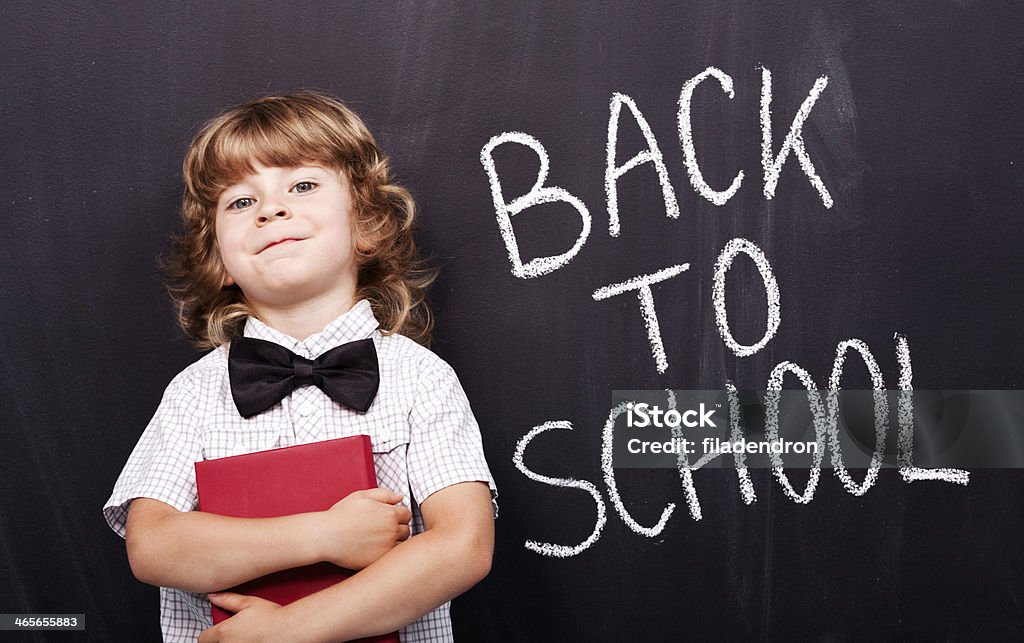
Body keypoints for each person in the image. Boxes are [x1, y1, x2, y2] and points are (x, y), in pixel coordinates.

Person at [102, 90, 498, 642]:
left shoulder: (421, 378)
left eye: (303, 185)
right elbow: (153, 546)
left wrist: (287, 632)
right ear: (218, 260)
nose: (270, 208)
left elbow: (463, 545)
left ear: (367, 228)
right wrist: (321, 535)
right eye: (240, 202)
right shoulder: (194, 393)